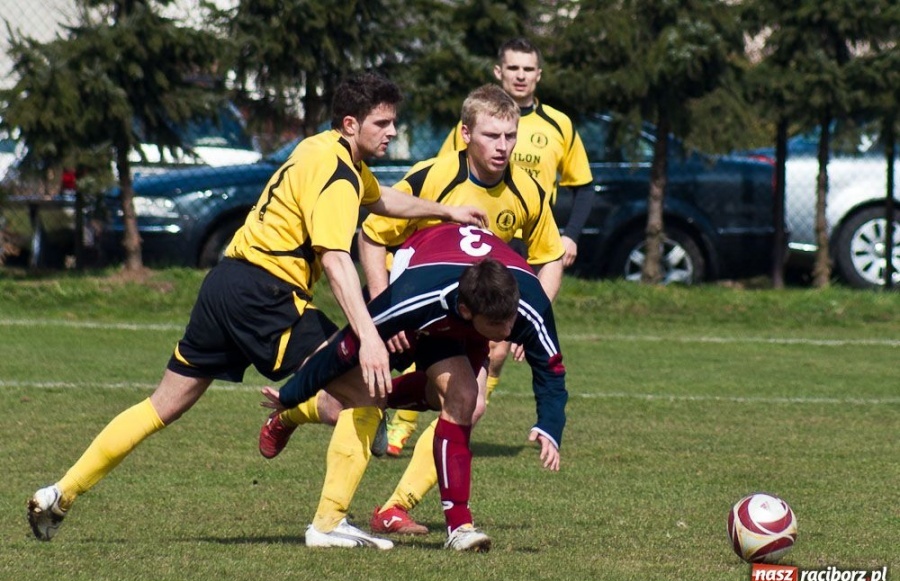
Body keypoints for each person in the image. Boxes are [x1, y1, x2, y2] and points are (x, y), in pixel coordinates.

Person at [26, 71, 488, 545]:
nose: (392, 132)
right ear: (351, 123)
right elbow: (335, 259)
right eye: (383, 123)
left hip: (225, 283)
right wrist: (368, 336)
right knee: (366, 389)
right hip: (266, 296)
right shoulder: (338, 178)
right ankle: (329, 523)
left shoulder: (319, 147)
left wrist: (446, 210)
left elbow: (382, 199)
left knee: (162, 405)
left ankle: (60, 493)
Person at [257, 83, 565, 538]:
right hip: (403, 303)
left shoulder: (529, 192)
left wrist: (520, 323)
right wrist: (382, 318)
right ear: (465, 134)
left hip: (465, 312)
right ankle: (295, 428)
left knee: (468, 403)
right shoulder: (433, 176)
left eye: (510, 136)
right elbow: (373, 234)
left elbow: (549, 255)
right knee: (354, 396)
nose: (502, 147)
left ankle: (396, 509)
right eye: (491, 136)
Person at [261, 222, 568, 551]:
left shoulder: (526, 302)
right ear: (466, 311)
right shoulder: (414, 297)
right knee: (361, 394)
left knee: (466, 401)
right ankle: (292, 417)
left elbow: (550, 367)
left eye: (511, 319)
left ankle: (459, 528)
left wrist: (549, 425)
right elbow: (345, 346)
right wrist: (293, 391)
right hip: (419, 275)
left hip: (464, 308)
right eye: (499, 324)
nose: (509, 329)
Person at [386, 37, 593, 455]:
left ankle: (444, 434)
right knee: (429, 362)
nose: (502, 145)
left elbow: (582, 187)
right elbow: (441, 183)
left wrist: (567, 234)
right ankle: (396, 426)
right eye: (512, 68)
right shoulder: (471, 127)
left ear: (539, 74)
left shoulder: (558, 127)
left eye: (527, 69)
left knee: (488, 362)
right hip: (449, 253)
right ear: (499, 71)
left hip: (513, 245)